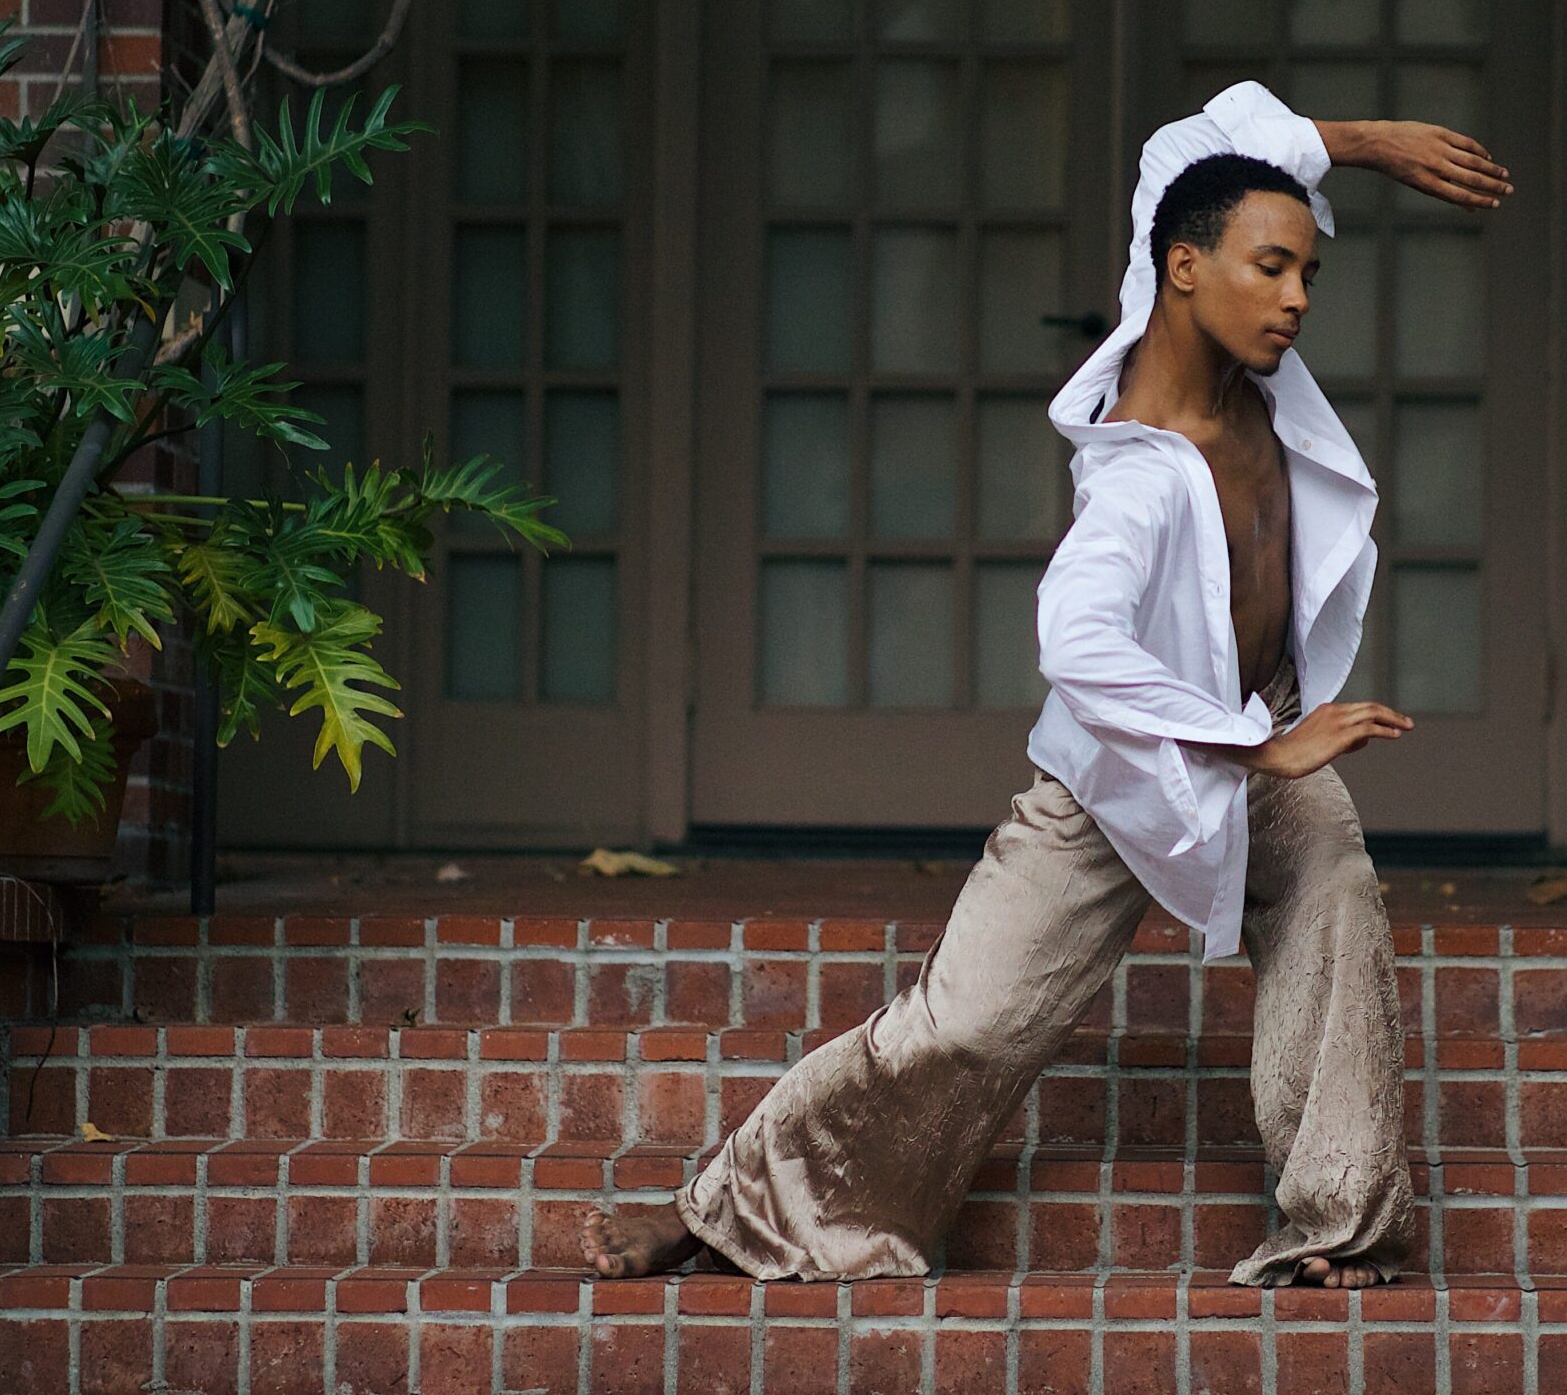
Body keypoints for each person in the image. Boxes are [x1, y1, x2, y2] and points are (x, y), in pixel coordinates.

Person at [580, 81, 1513, 1288]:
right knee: (965, 1024)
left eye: (1307, 276)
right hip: (1117, 774)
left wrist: (1365, 143)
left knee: (1332, 897)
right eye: (1271, 268)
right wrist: (1246, 746)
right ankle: (725, 1211)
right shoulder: (1137, 470)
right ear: (1186, 269)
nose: (1293, 299)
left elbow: (1182, 149)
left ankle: (1340, 1226)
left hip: (1256, 728)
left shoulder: (1200, 308)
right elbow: (1073, 641)